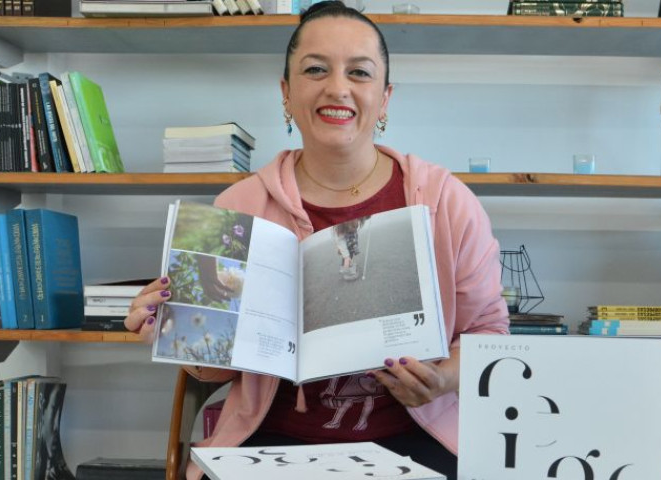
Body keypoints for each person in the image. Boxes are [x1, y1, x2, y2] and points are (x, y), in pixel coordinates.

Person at [125, 2, 509, 478]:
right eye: (315, 70)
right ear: (286, 93)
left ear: (385, 98)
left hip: (416, 437)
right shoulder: (237, 206)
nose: (338, 88)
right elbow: (216, 369)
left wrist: (442, 378)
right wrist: (174, 333)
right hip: (272, 440)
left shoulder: (446, 201)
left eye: (359, 72)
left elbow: (489, 333)